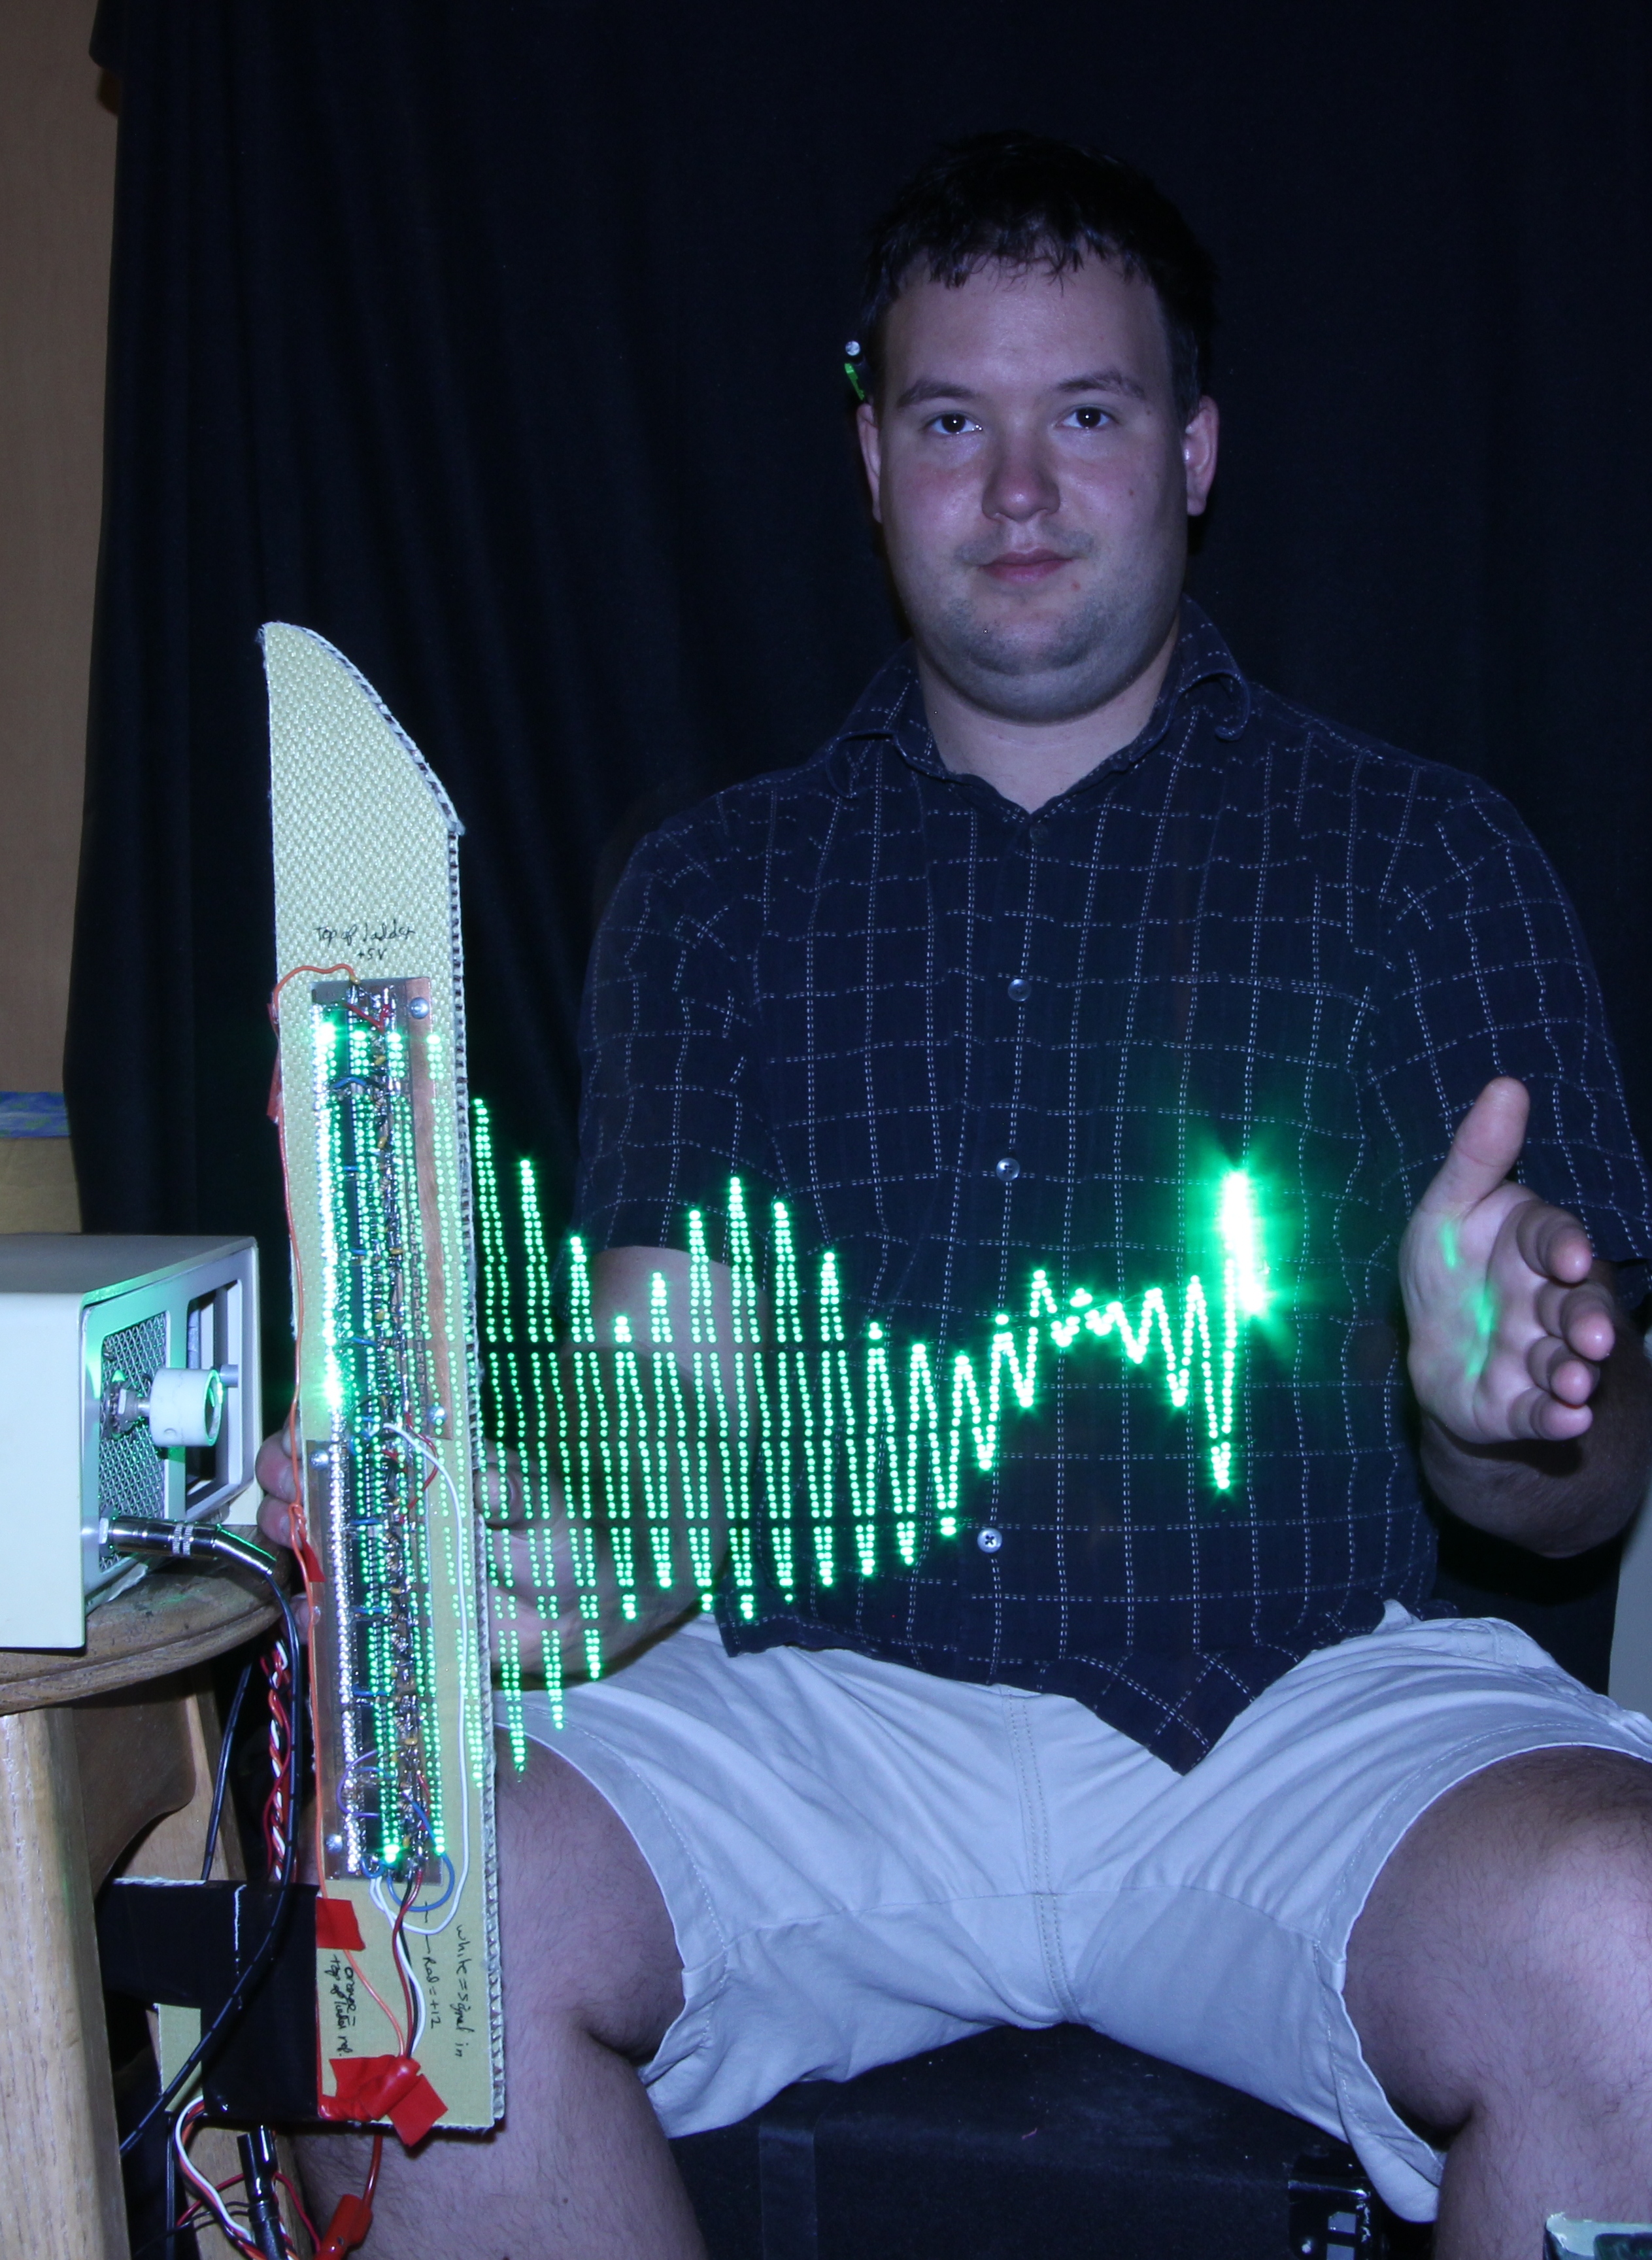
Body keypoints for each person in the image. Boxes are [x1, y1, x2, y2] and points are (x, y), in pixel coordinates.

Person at [260, 132, 1652, 2259]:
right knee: (412, 1930)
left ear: (1192, 451)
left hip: (1301, 1709)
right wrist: (543, 1553)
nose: (1015, 492)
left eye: (1084, 416)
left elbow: (1589, 1485)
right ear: (870, 460)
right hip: (825, 1708)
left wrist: (1516, 1410)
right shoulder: (710, 897)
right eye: (947, 424)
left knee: (1631, 1944)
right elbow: (674, 1414)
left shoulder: (1424, 858)